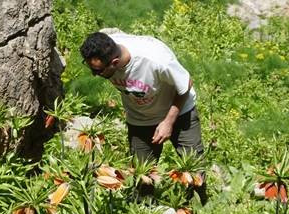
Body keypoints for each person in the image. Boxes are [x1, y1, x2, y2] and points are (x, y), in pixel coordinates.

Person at [80, 31, 206, 201]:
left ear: (115, 62)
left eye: (98, 71)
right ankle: (146, 213)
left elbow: (186, 85)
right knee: (142, 174)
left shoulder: (156, 60)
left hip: (179, 110)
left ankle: (197, 209)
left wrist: (168, 122)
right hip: (140, 118)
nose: (95, 75)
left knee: (194, 168)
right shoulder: (107, 42)